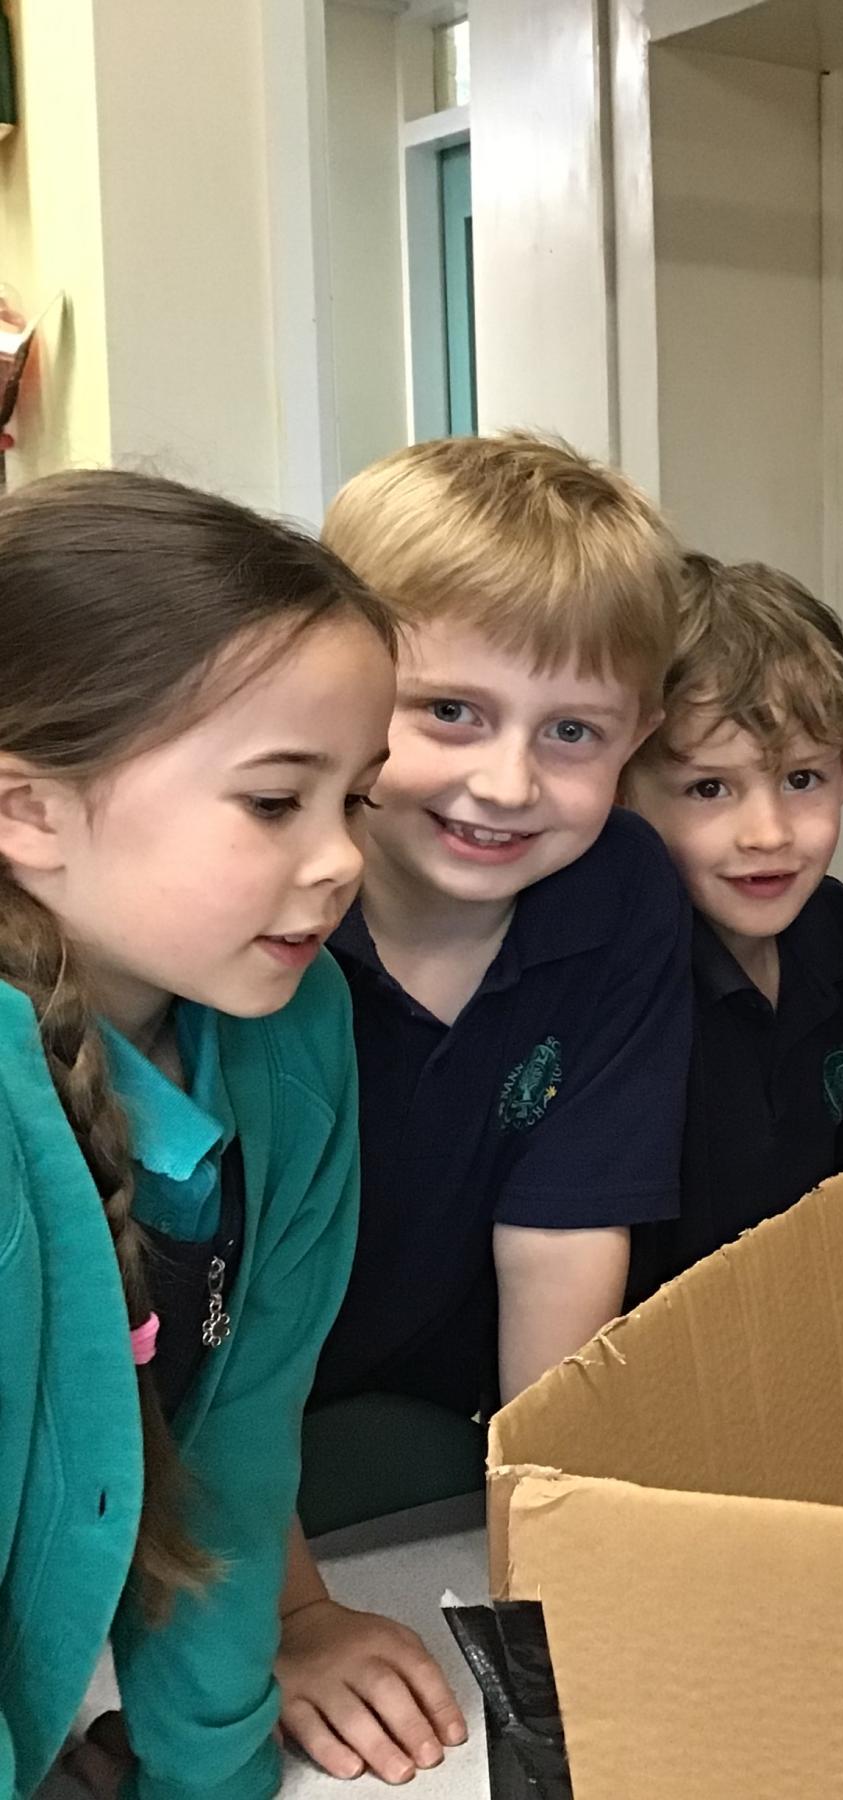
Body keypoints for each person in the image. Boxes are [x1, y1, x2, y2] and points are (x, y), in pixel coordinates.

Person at [277, 432, 694, 1785]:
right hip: (215, 1429)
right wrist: (284, 1616)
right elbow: (181, 1329)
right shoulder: (257, 916)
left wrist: (552, 1590)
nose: (509, 784)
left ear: (635, 741)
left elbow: (564, 1251)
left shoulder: (621, 893)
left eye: (571, 732)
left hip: (423, 1426)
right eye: (448, 712)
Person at [0, 471, 395, 1800]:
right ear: (25, 810)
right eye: (278, 802)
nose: (342, 858)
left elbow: (233, 1452)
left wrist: (210, 1781)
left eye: (360, 800)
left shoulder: (295, 1025)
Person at [621, 553, 843, 1303]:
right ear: (625, 788)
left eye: (800, 779)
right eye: (709, 788)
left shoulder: (839, 932)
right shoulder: (623, 981)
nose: (769, 833)